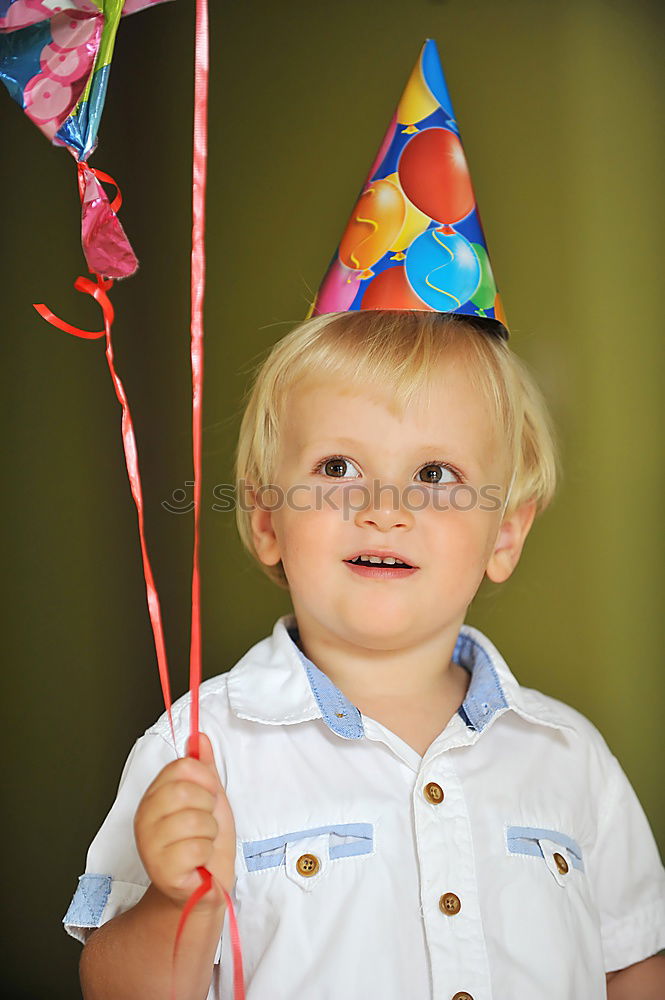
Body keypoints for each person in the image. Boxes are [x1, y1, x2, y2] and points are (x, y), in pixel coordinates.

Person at [65, 309, 665, 999]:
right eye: (338, 466)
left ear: (504, 535)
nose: (385, 508)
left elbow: (632, 964)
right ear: (266, 520)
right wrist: (176, 907)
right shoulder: (200, 750)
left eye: (434, 473)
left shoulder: (569, 757)